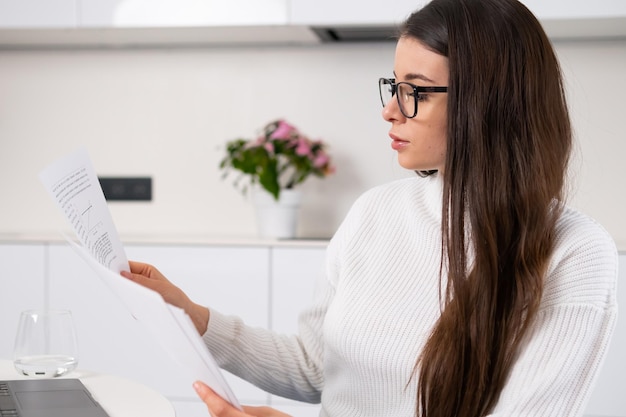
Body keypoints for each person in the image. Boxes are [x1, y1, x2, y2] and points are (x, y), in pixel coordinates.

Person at [121, 0, 619, 416]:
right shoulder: (373, 214)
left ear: (487, 104)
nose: (389, 109)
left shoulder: (574, 254)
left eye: (415, 92)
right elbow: (317, 367)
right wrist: (190, 316)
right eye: (393, 85)